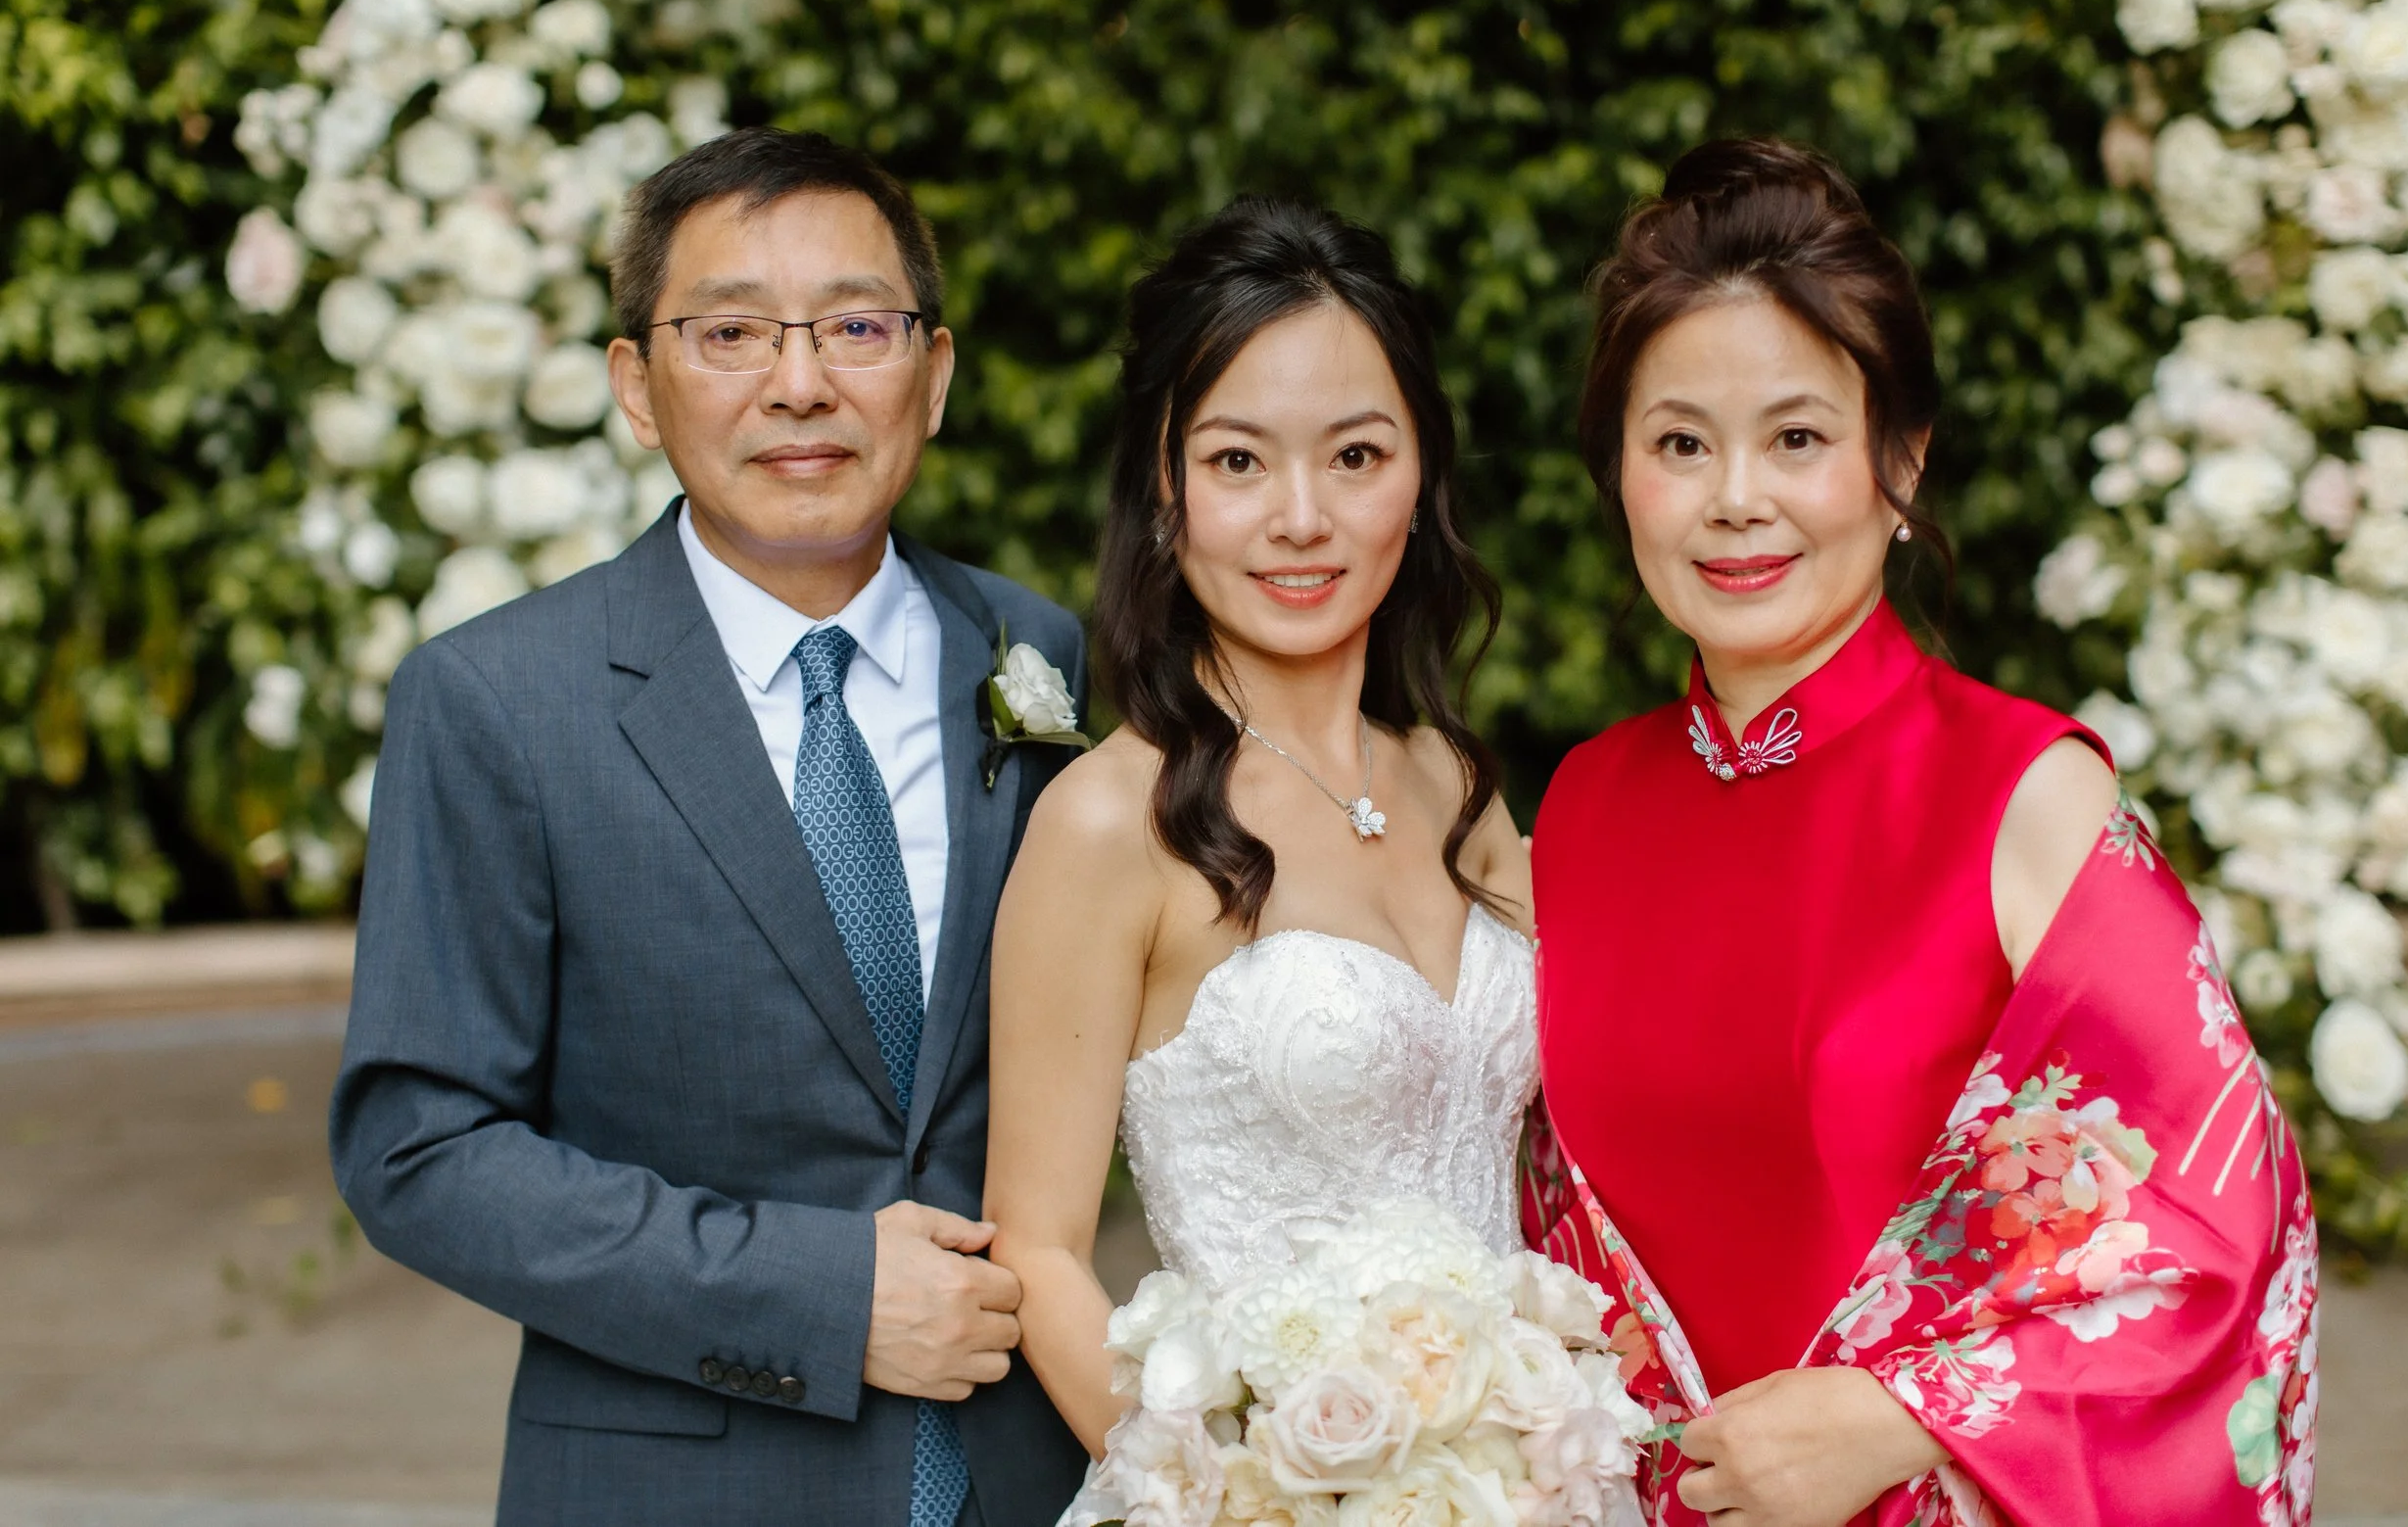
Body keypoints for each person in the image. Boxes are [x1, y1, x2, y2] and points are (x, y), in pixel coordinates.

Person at [1528, 138, 2318, 1527]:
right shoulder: (1584, 806)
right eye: (1679, 443)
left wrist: (1906, 1417)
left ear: (1901, 460)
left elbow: (2220, 1236)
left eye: (1797, 437)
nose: (1734, 500)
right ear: (1621, 474)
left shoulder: (2027, 793)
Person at [330, 126, 1087, 1527]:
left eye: (859, 325)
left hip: (1033, 1481)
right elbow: (420, 1147)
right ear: (637, 382)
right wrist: (822, 1294)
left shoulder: (1038, 658)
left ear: (935, 371)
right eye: (730, 331)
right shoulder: (498, 700)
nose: (801, 384)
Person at [980, 200, 1538, 1485]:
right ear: (1166, 489)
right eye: (1240, 462)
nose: (1304, 518)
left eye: (1356, 457)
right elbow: (1038, 1243)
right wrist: (1222, 1499)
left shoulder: (1461, 787)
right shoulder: (1117, 817)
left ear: (1420, 471)